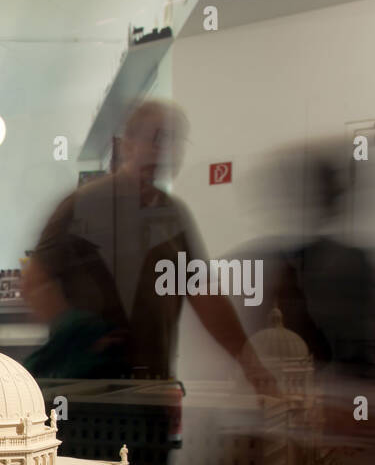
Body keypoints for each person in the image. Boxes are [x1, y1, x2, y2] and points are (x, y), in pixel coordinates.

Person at [23, 99, 274, 388]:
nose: (161, 151)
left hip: (152, 389)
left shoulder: (174, 215)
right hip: (87, 391)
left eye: (169, 142)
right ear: (127, 144)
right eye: (153, 139)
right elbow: (34, 282)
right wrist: (81, 334)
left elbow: (206, 297)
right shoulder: (83, 204)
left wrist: (253, 367)